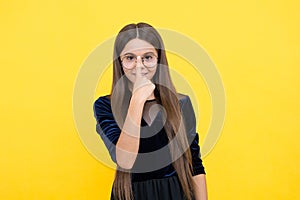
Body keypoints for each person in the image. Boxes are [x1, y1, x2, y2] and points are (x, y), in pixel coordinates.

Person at [93, 22, 207, 200]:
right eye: (130, 58)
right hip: (132, 194)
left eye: (148, 57)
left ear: (159, 59)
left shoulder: (181, 103)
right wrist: (138, 99)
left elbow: (195, 163)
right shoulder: (105, 106)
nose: (140, 66)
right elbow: (124, 160)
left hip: (176, 193)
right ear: (120, 62)